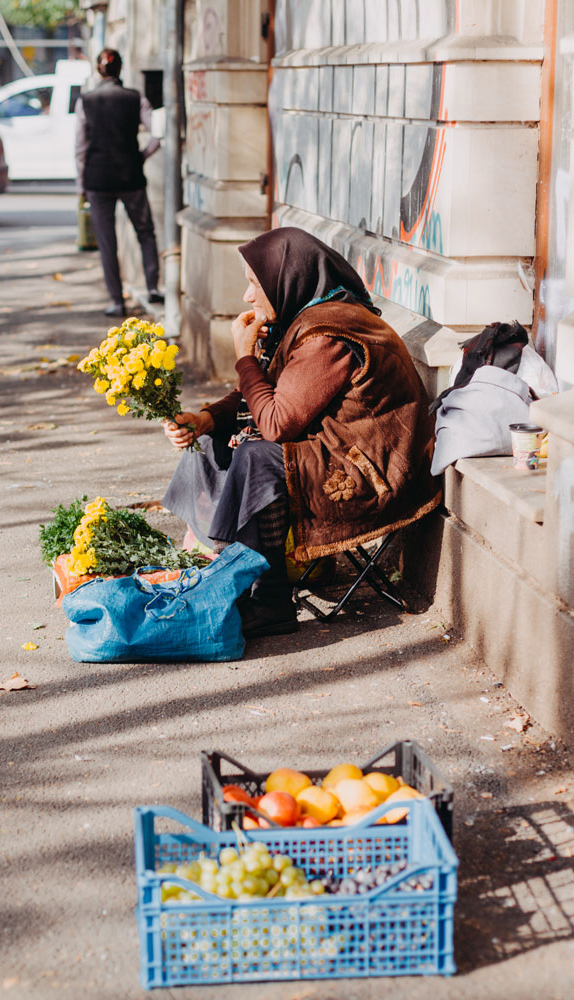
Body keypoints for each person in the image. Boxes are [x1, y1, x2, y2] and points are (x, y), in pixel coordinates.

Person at [162, 228, 441, 637]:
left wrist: (243, 356)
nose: (248, 297)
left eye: (255, 285)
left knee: (258, 457)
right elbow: (273, 392)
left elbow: (275, 423)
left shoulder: (328, 335)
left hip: (373, 475)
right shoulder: (307, 319)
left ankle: (270, 599)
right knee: (215, 441)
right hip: (335, 448)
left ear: (287, 280)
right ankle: (234, 568)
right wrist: (205, 420)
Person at [76, 48, 163, 318]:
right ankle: (152, 287)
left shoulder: (85, 101)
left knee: (107, 241)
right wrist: (141, 156)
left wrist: (81, 185)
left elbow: (80, 148)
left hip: (97, 179)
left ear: (97, 70)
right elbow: (157, 135)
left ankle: (117, 301)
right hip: (131, 176)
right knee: (145, 232)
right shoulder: (135, 98)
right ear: (120, 69)